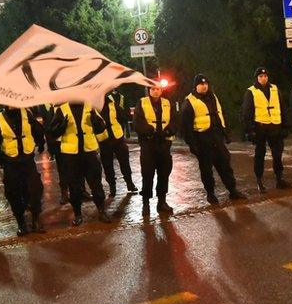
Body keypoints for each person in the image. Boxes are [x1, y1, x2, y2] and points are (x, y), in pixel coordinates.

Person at [179, 74, 247, 204]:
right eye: (201, 84)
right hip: (202, 140)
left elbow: (220, 114)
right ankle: (210, 194)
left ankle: (232, 190)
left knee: (225, 165)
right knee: (206, 170)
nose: (204, 86)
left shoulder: (213, 97)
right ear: (196, 86)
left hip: (217, 137)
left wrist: (225, 133)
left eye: (206, 84)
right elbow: (186, 127)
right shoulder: (189, 101)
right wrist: (193, 145)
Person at [46, 102, 111, 225]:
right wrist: (62, 126)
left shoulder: (90, 107)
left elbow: (101, 128)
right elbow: (52, 132)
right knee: (74, 187)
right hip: (70, 155)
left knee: (96, 184)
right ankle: (77, 214)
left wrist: (95, 119)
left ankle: (101, 211)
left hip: (89, 152)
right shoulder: (61, 109)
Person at [0, 106, 47, 236]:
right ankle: (21, 223)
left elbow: (37, 131)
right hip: (10, 162)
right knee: (13, 193)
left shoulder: (27, 114)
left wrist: (40, 140)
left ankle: (36, 219)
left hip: (28, 160)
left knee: (35, 190)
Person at [241, 66, 292, 192]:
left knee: (277, 154)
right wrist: (250, 130)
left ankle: (279, 179)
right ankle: (259, 181)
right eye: (260, 76)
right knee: (260, 155)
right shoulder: (251, 91)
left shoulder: (274, 89)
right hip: (260, 127)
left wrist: (286, 125)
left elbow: (282, 107)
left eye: (265, 76)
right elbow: (247, 113)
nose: (263, 78)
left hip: (275, 126)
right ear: (257, 78)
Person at [133, 78, 177, 216]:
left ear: (161, 90)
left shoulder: (167, 103)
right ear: (149, 90)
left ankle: (161, 202)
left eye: (158, 88)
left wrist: (169, 131)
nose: (156, 91)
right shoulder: (142, 102)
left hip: (164, 144)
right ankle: (146, 203)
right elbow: (137, 122)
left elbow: (175, 120)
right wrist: (150, 131)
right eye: (153, 89)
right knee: (147, 174)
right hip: (148, 145)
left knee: (164, 174)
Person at [97, 89, 139, 198]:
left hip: (118, 137)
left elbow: (123, 116)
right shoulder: (92, 107)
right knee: (107, 165)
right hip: (104, 140)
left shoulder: (112, 104)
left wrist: (121, 124)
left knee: (124, 161)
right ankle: (112, 186)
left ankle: (129, 183)